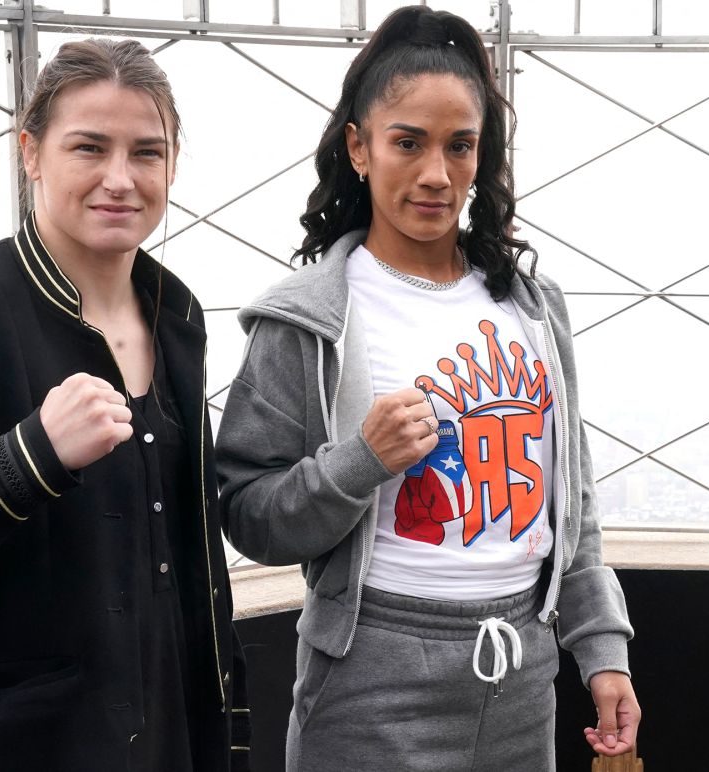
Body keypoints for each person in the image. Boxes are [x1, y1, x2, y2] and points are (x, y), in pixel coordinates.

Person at [215, 6, 638, 770]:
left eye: (460, 146)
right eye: (408, 142)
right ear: (360, 147)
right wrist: (358, 462)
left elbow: (572, 504)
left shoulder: (533, 309)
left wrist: (601, 648)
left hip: (523, 678)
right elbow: (247, 514)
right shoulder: (308, 320)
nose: (437, 174)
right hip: (370, 686)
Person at [0, 38, 249, 772]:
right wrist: (29, 460)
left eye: (147, 153)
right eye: (89, 147)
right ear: (30, 152)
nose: (120, 179)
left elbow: (195, 573)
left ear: (174, 164)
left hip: (172, 745)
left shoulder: (176, 312)